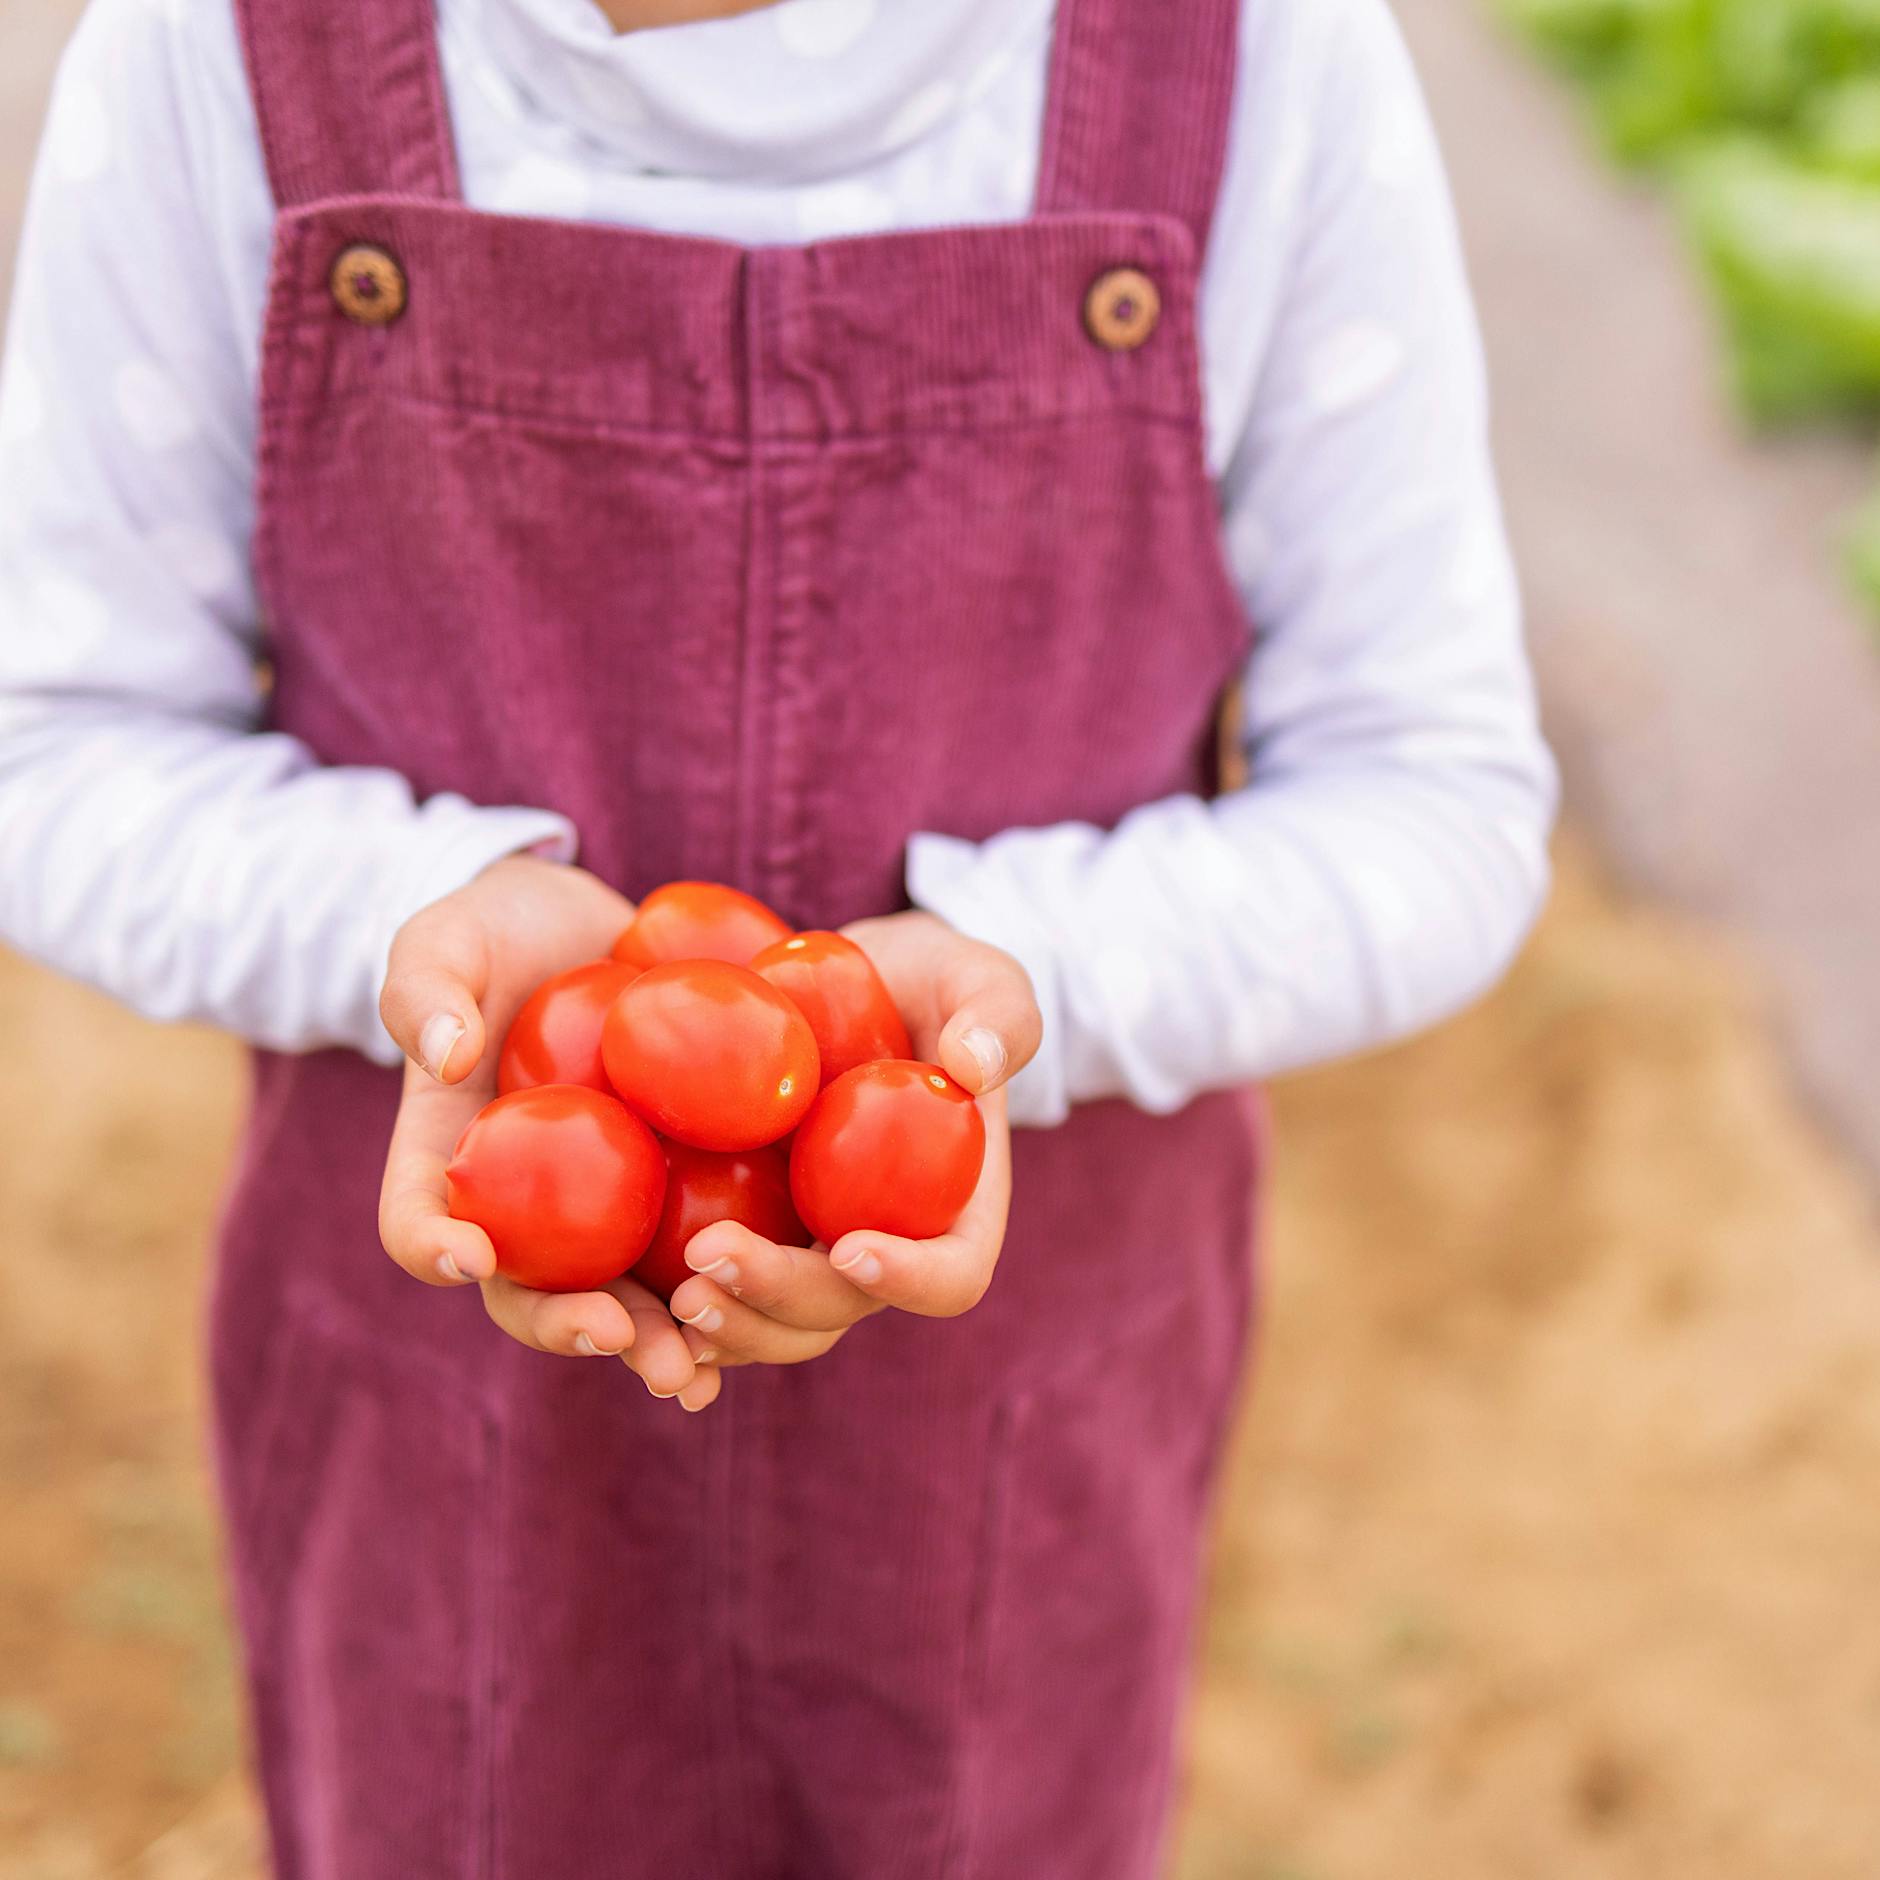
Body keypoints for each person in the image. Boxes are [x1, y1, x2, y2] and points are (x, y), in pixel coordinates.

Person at [0, 0, 1556, 1872]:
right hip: (442, 1388)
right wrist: (415, 929)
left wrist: (1015, 982)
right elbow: (50, 741)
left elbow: (1436, 796)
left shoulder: (1262, 62)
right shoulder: (216, 53)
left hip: (1021, 1413)